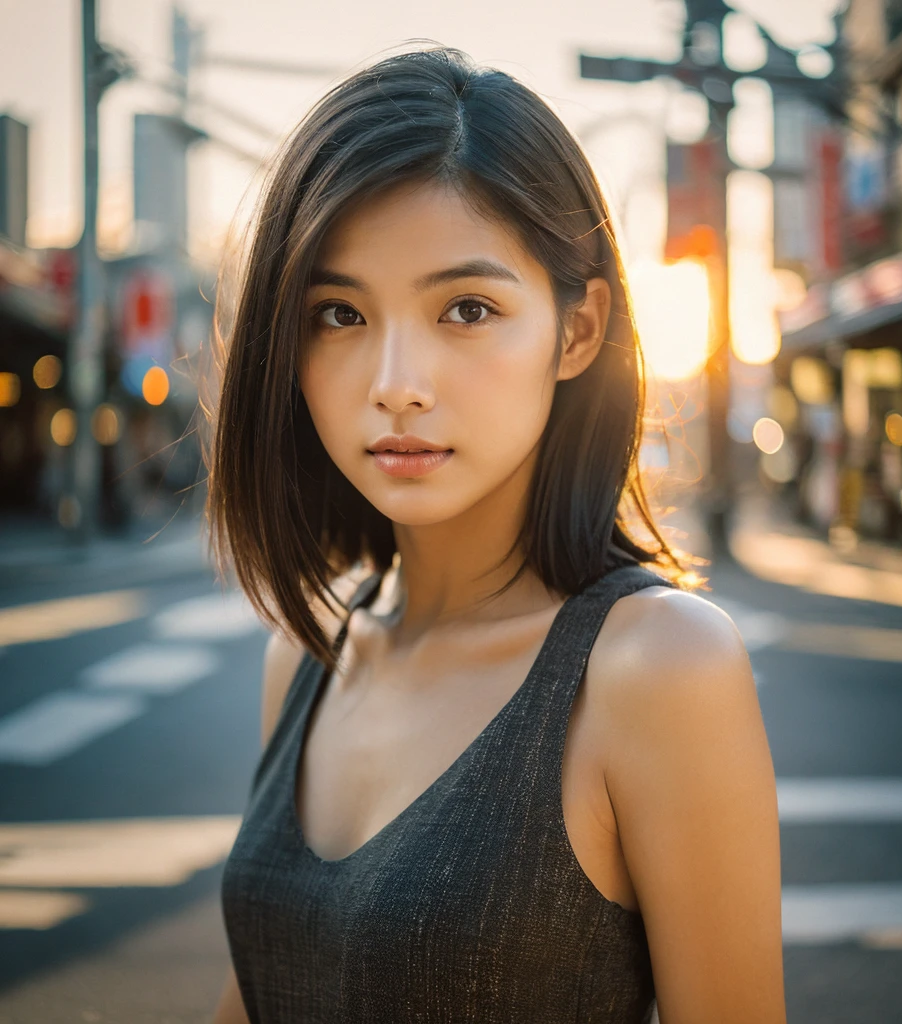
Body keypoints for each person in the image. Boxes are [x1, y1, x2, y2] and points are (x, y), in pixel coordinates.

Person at [207, 46, 784, 1024]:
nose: (396, 380)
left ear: (576, 328)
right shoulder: (310, 651)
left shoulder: (657, 668)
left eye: (466, 309)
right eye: (338, 312)